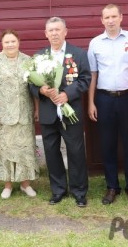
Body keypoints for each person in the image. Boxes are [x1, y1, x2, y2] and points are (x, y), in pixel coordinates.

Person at [87, 4, 128, 206]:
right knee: (107, 143)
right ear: (101, 20)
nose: (110, 20)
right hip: (104, 98)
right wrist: (91, 102)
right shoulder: (95, 43)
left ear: (121, 17)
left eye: (114, 16)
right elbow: (93, 75)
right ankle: (112, 186)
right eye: (106, 17)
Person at [30, 17, 91, 207]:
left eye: (58, 29)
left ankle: (79, 191)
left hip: (71, 111)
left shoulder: (79, 54)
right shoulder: (39, 57)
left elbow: (85, 79)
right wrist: (40, 90)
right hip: (49, 113)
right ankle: (58, 190)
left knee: (76, 151)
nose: (55, 33)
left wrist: (67, 94)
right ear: (46, 34)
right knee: (51, 152)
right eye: (51, 30)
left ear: (66, 31)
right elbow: (30, 82)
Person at [0, 29, 39, 199]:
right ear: (2, 44)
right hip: (3, 115)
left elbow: (34, 87)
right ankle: (7, 185)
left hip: (24, 113)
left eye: (13, 41)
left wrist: (37, 108)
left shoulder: (28, 61)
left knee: (25, 149)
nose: (10, 45)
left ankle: (25, 184)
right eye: (7, 42)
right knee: (6, 150)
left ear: (18, 42)